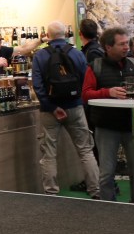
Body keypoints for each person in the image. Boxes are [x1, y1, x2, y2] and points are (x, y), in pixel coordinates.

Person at [81, 27, 134, 201]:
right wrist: (108, 92)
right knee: (106, 173)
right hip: (107, 126)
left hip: (133, 125)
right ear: (108, 46)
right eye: (121, 44)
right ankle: (109, 210)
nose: (126, 47)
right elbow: (85, 94)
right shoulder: (95, 66)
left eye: (126, 43)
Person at [31, 21, 100, 198]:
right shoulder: (77, 53)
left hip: (50, 111)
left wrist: (52, 107)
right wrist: (79, 102)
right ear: (66, 34)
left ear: (48, 35)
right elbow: (86, 81)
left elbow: (37, 85)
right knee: (85, 150)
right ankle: (95, 191)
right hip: (75, 107)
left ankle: (51, 192)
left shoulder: (40, 55)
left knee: (49, 154)